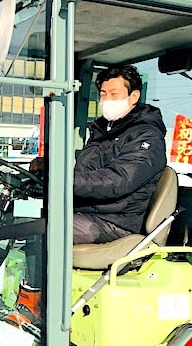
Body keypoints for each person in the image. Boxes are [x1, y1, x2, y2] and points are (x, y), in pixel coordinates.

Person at [72, 64, 167, 244]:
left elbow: (118, 180)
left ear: (134, 96)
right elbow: (85, 173)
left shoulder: (147, 136)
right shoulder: (102, 132)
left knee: (47, 231)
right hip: (88, 212)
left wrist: (66, 182)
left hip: (116, 222)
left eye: (114, 94)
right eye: (103, 94)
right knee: (25, 222)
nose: (107, 100)